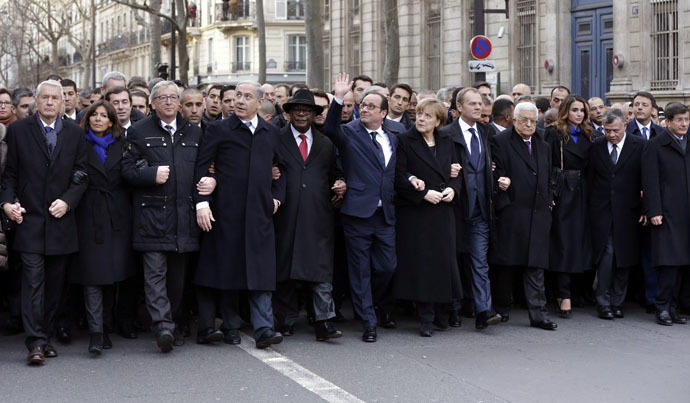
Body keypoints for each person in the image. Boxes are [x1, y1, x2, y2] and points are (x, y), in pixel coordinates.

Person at [1, 80, 89, 364]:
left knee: (55, 286)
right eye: (46, 98)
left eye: (56, 98)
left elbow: (81, 173)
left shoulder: (75, 133)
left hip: (61, 221)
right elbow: (9, 175)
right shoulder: (18, 131)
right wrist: (7, 203)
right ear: (36, 102)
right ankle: (36, 342)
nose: (51, 102)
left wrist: (68, 200)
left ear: (63, 103)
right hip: (30, 221)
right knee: (33, 282)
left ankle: (46, 335)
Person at [193, 81, 286, 349]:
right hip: (226, 213)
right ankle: (231, 325)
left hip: (259, 214)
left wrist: (277, 197)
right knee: (229, 270)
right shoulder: (219, 130)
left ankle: (264, 329)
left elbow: (282, 169)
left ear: (259, 102)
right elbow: (202, 168)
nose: (240, 101)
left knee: (261, 273)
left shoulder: (270, 132)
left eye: (247, 97)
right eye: (237, 97)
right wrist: (203, 203)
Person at [121, 81, 204, 353]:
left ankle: (175, 323)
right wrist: (150, 174)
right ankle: (163, 327)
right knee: (154, 275)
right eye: (162, 98)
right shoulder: (138, 131)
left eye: (172, 98)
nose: (168, 102)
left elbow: (207, 168)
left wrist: (210, 182)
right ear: (152, 104)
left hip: (184, 218)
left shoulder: (194, 132)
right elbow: (126, 170)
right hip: (152, 218)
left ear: (179, 104)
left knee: (177, 279)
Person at [324, 73, 401, 342]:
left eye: (371, 106)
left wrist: (414, 180)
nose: (364, 109)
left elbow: (394, 173)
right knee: (359, 270)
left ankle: (374, 305)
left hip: (385, 214)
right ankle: (369, 321)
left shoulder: (393, 138)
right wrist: (338, 97)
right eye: (362, 105)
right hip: (357, 213)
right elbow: (330, 129)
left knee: (387, 267)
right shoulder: (348, 132)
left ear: (383, 113)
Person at [272, 89, 346, 341]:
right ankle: (286, 319)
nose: (302, 113)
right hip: (285, 214)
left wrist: (340, 183)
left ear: (315, 115)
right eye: (297, 109)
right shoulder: (276, 138)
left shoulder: (326, 143)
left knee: (321, 271)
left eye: (307, 110)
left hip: (318, 216)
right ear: (289, 113)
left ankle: (324, 321)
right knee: (285, 269)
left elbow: (335, 172)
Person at [393, 98, 461, 337]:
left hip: (443, 211)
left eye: (427, 116)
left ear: (439, 121)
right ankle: (425, 318)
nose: (421, 119)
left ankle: (443, 314)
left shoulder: (446, 140)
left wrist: (453, 188)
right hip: (417, 214)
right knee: (422, 266)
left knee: (443, 264)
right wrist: (421, 194)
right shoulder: (404, 140)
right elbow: (398, 175)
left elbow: (456, 171)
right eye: (419, 114)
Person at [72, 101, 134, 354]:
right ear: (87, 119)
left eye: (104, 116)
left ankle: (106, 326)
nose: (98, 119)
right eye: (94, 115)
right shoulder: (78, 143)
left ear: (111, 121)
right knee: (92, 276)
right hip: (88, 214)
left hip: (118, 215)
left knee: (112, 274)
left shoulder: (123, 145)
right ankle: (95, 332)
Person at [490, 102, 557, 330]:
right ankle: (502, 308)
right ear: (513, 120)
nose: (529, 124)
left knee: (535, 266)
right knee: (507, 265)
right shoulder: (501, 141)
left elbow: (549, 175)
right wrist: (504, 197)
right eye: (524, 120)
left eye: (533, 120)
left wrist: (548, 199)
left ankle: (538, 314)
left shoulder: (543, 144)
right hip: (513, 212)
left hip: (538, 213)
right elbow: (496, 173)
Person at [441, 87, 502, 329]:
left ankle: (483, 310)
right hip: (455, 207)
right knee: (453, 260)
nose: (478, 107)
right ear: (459, 108)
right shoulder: (446, 134)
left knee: (479, 261)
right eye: (472, 104)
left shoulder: (488, 133)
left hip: (481, 210)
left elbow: (497, 164)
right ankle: (453, 308)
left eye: (480, 103)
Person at [588, 109, 644, 320]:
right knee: (607, 255)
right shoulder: (596, 147)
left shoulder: (639, 146)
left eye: (615, 131)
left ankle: (617, 302)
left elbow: (644, 178)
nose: (611, 135)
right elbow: (591, 179)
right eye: (607, 130)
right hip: (602, 211)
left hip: (628, 212)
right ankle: (603, 301)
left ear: (625, 127)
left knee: (624, 257)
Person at [544, 94, 593, 318]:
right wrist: (549, 192)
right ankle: (563, 294)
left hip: (583, 191)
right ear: (565, 111)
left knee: (579, 242)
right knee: (562, 242)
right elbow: (547, 164)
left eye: (582, 110)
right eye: (574, 110)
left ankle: (574, 291)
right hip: (563, 191)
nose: (579, 114)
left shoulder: (588, 133)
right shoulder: (554, 133)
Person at [642, 102, 690, 326]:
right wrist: (654, 210)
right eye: (679, 120)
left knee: (683, 265)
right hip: (667, 213)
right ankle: (662, 307)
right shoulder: (655, 145)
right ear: (668, 121)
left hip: (686, 213)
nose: (684, 124)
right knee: (668, 264)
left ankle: (675, 307)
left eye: (686, 120)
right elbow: (650, 181)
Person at [625, 91, 664, 313]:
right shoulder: (624, 131)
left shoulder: (661, 134)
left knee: (651, 250)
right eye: (636, 104)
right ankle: (632, 292)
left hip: (653, 200)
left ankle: (651, 296)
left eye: (644, 105)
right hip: (630, 199)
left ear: (653, 109)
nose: (640, 108)